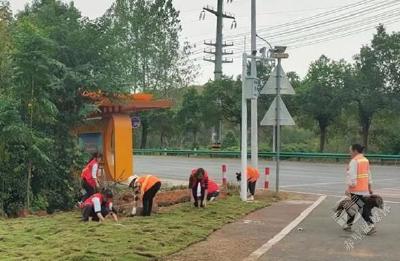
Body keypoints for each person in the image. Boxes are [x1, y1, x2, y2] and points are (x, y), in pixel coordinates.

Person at [343, 144, 375, 235]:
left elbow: (352, 178)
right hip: (364, 189)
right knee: (353, 207)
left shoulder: (354, 161)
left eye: (350, 151)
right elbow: (369, 175)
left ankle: (370, 225)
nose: (350, 153)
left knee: (361, 208)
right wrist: (369, 188)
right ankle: (348, 224)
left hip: (356, 189)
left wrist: (348, 189)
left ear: (355, 151)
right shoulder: (365, 160)